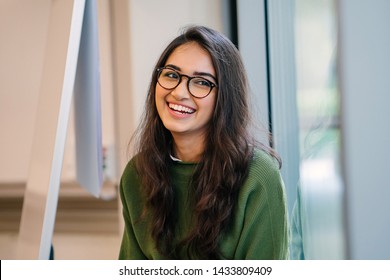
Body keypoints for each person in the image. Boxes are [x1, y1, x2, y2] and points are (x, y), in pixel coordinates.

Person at [118, 25, 289, 260]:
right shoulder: (137, 174)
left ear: (225, 98)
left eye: (201, 82)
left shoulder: (258, 176)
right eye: (171, 74)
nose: (179, 92)